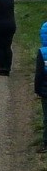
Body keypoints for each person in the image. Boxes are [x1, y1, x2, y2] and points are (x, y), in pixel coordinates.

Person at [35, 22, 47, 153]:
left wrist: (37, 90)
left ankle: (46, 142)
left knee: (46, 118)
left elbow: (39, 74)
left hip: (45, 91)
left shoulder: (42, 53)